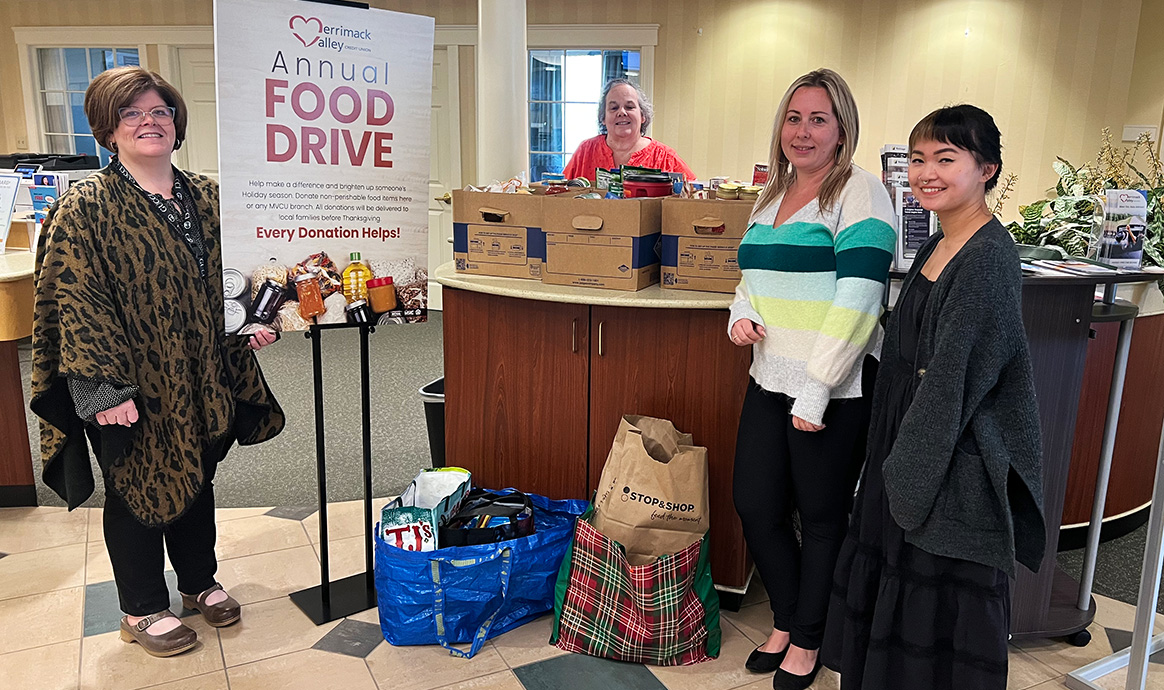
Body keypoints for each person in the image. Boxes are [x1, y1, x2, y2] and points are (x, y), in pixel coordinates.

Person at [30, 67, 285, 658]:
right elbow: (77, 300)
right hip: (129, 385)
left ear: (176, 122)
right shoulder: (86, 207)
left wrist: (251, 323)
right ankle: (141, 607)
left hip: (200, 373)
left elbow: (230, 282)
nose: (149, 123)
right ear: (108, 129)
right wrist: (101, 388)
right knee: (137, 489)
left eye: (160, 112)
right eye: (132, 114)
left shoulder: (208, 196)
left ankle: (198, 580)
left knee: (196, 476)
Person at [823, 105, 1045, 690]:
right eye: (919, 158)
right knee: (892, 593)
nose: (927, 172)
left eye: (947, 159)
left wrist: (905, 480)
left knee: (934, 610)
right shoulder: (937, 242)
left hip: (949, 458)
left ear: (987, 169)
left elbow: (951, 382)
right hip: (908, 441)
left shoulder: (988, 259)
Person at [728, 68, 896, 690]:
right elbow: (749, 282)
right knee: (757, 506)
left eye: (818, 119)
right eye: (794, 118)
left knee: (822, 516)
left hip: (834, 386)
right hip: (768, 377)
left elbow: (859, 295)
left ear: (841, 128)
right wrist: (741, 316)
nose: (802, 131)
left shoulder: (861, 192)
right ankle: (791, 616)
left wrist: (818, 387)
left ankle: (806, 639)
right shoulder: (769, 198)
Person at [561, 78, 695, 182]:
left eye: (630, 107)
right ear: (603, 118)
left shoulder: (665, 158)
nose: (622, 112)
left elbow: (693, 196)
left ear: (643, 116)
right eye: (614, 108)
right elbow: (560, 193)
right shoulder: (585, 151)